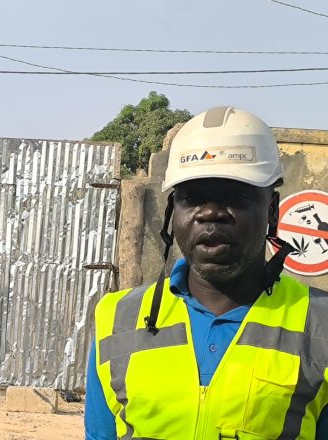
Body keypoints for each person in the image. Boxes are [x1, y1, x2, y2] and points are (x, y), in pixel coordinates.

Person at [85, 106, 328, 439]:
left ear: (272, 210)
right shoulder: (117, 317)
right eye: (192, 197)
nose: (211, 213)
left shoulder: (321, 324)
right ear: (173, 211)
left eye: (236, 196)